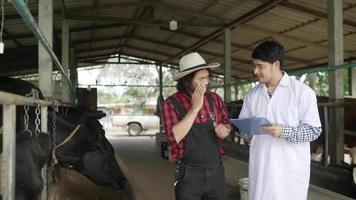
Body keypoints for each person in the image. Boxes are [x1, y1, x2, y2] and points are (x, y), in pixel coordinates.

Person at [238, 40, 322, 200]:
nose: (255, 71)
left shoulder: (302, 93)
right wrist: (245, 129)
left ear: (276, 64)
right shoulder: (252, 95)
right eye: (254, 65)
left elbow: (314, 130)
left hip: (289, 173)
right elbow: (244, 132)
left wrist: (284, 131)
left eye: (260, 66)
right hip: (261, 169)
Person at [161, 52, 232, 200]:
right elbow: (173, 138)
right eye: (201, 78)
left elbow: (227, 125)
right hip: (188, 174)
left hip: (216, 171)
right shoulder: (172, 103)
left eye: (207, 77)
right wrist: (194, 109)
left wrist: (224, 131)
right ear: (187, 81)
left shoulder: (215, 99)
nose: (206, 82)